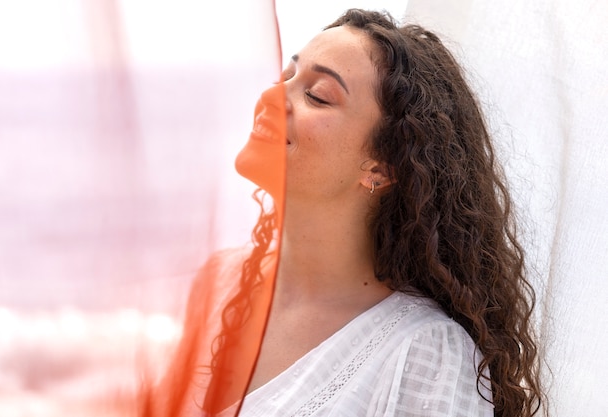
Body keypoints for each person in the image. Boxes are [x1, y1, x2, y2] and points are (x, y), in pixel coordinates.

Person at [142, 8, 544, 417]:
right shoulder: (220, 284)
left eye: (316, 95)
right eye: (285, 78)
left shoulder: (423, 355)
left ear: (382, 168)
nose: (272, 97)